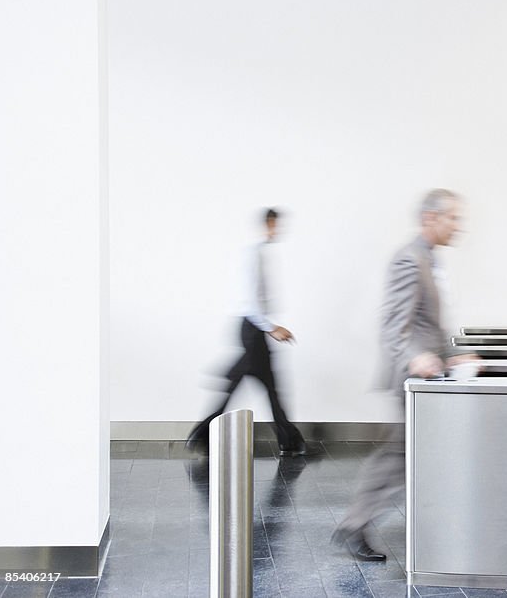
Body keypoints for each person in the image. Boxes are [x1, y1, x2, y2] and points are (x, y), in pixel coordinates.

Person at [333, 189, 479, 561]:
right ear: (431, 218)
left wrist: (452, 353)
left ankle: (362, 523)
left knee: (407, 454)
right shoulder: (409, 260)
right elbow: (394, 326)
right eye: (453, 218)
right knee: (398, 455)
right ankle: (354, 524)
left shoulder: (429, 259)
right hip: (410, 378)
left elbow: (428, 323)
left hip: (429, 374)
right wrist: (418, 358)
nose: (458, 226)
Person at [186, 208, 307, 457]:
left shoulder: (260, 253)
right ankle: (202, 435)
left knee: (265, 386)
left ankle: (288, 441)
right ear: (267, 224)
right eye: (275, 225)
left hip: (255, 329)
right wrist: (272, 328)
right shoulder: (253, 255)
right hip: (253, 329)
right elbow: (250, 301)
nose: (278, 230)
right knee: (266, 386)